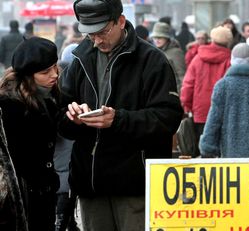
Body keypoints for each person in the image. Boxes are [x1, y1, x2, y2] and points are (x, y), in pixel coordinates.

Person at [58, 0, 183, 230]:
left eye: (102, 32)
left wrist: (118, 120)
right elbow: (61, 114)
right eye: (90, 34)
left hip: (134, 184)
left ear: (121, 22)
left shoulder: (152, 60)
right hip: (91, 183)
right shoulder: (79, 59)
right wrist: (72, 117)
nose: (96, 40)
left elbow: (169, 117)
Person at [0, 37, 60, 230]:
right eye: (45, 72)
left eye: (54, 67)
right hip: (20, 198)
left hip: (44, 194)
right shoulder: (9, 106)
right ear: (28, 75)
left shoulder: (50, 96)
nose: (55, 74)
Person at [180, 26, 232, 157]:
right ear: (228, 42)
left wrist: (186, 105)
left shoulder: (197, 59)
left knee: (205, 150)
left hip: (200, 112)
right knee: (222, 150)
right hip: (223, 112)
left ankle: (205, 176)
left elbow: (188, 85)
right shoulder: (230, 60)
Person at [54, 43, 80, 231]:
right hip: (65, 164)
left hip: (60, 162)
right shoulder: (73, 85)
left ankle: (67, 221)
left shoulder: (55, 86)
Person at [151, 22, 186, 93]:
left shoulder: (176, 52)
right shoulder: (155, 51)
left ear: (166, 38)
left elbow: (181, 76)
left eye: (160, 37)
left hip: (173, 95)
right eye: (155, 37)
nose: (157, 40)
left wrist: (180, 97)